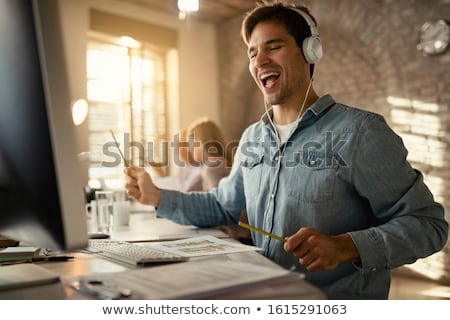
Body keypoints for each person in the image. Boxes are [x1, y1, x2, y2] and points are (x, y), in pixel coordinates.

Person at [124, 0, 448, 299]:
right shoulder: (252, 139)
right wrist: (156, 196)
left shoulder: (361, 132)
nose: (259, 60)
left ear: (310, 52)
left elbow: (428, 226)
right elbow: (223, 206)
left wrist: (346, 246)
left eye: (274, 47)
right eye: (252, 53)